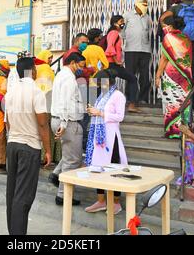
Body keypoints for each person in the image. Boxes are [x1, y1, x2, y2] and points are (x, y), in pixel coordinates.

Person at [5, 57, 52, 235]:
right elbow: (42, 124)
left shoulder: (11, 92)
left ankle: (13, 232)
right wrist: (48, 150)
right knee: (23, 196)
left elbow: (7, 122)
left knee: (12, 193)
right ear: (32, 71)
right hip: (29, 146)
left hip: (13, 144)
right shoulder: (36, 92)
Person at [84, 69, 128, 215]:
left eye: (100, 83)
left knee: (114, 167)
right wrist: (93, 111)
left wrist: (101, 113)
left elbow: (120, 116)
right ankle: (101, 201)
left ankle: (116, 203)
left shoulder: (118, 96)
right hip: (99, 135)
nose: (98, 86)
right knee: (98, 166)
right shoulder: (102, 96)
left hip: (111, 136)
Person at [50, 53, 86, 206]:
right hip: (68, 122)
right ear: (73, 63)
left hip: (60, 120)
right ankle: (63, 196)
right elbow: (65, 101)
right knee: (73, 160)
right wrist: (64, 124)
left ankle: (56, 174)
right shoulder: (69, 78)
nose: (82, 69)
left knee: (69, 155)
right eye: (81, 66)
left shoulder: (60, 75)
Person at [155, 17, 192, 139]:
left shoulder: (168, 38)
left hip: (171, 75)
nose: (165, 28)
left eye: (166, 25)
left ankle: (173, 131)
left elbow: (164, 58)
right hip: (185, 76)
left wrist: (157, 75)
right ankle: (184, 130)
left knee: (171, 103)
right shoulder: (186, 38)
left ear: (170, 26)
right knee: (182, 102)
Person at [104, 15, 140, 113]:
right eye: (121, 21)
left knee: (111, 85)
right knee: (133, 79)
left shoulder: (114, 33)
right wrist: (117, 61)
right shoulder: (114, 33)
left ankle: (110, 107)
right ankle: (132, 104)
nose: (123, 23)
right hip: (112, 64)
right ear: (115, 23)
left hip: (112, 64)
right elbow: (110, 49)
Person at [124, 0, 152, 105]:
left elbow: (149, 32)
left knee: (144, 75)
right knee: (130, 74)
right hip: (131, 50)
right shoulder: (127, 15)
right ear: (136, 5)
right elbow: (122, 31)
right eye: (143, 5)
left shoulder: (147, 18)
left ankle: (143, 98)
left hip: (145, 50)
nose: (145, 7)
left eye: (146, 5)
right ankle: (130, 98)